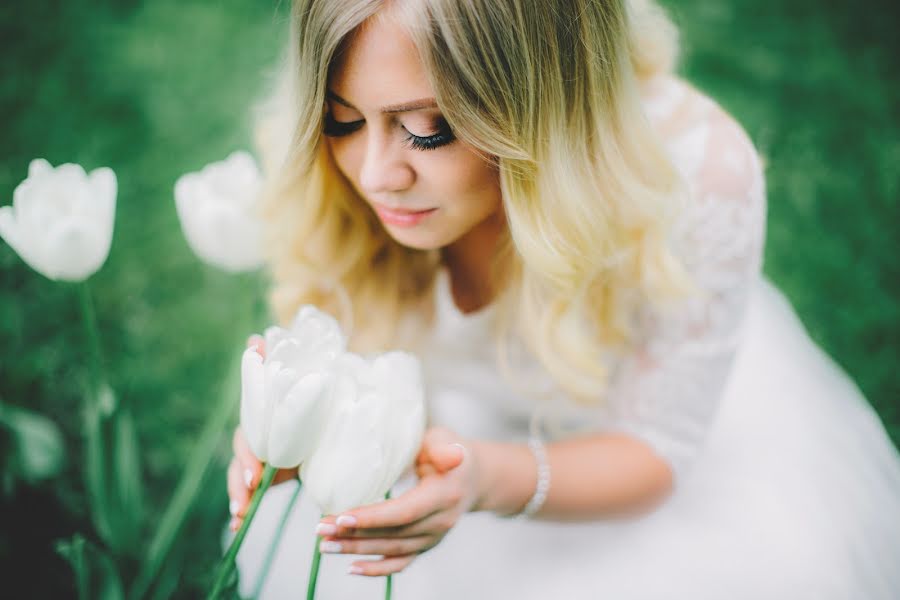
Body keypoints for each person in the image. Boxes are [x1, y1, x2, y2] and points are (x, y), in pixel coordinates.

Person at [224, 0, 900, 597]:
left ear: (544, 97)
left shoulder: (696, 180)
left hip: (619, 449)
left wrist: (487, 478)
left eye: (428, 128)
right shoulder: (341, 172)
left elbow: (655, 445)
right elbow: (358, 335)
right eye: (342, 120)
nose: (376, 175)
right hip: (445, 438)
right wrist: (308, 424)